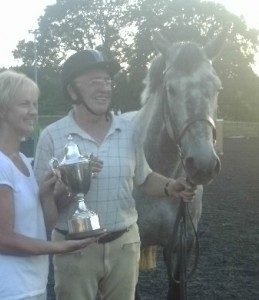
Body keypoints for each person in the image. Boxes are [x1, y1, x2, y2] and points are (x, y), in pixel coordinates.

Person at [33, 50, 196, 300]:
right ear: (72, 91)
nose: (105, 89)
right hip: (76, 251)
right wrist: (67, 187)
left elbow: (144, 177)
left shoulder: (130, 130)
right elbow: (45, 214)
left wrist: (171, 186)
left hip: (125, 247)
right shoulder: (52, 137)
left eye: (108, 82)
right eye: (95, 82)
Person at [0, 70, 99, 300]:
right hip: (5, 291)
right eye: (25, 104)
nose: (34, 111)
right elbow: (4, 241)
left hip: (29, 287)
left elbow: (43, 224)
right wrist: (62, 247)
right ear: (1, 108)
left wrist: (51, 194)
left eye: (35, 104)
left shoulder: (20, 161)